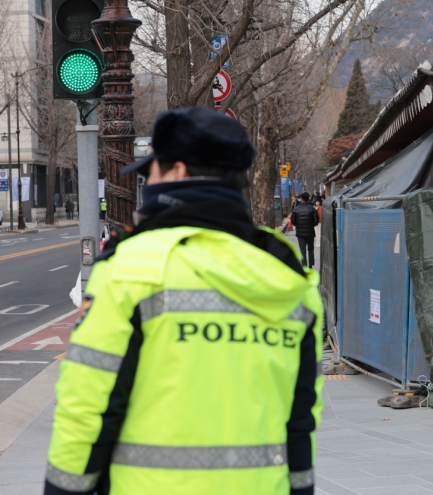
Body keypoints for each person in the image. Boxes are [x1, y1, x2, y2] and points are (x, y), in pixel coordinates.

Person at [44, 107, 323, 495]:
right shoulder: (288, 275)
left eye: (150, 172)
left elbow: (86, 406)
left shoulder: (133, 267)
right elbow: (300, 422)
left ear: (176, 173)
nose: (147, 183)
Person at [291, 192, 318, 268]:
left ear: (301, 199)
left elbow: (293, 222)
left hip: (300, 233)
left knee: (302, 250)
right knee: (311, 249)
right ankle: (311, 265)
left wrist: (299, 225)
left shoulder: (296, 209)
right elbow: (316, 221)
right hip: (310, 232)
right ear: (308, 198)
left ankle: (304, 265)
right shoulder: (312, 209)